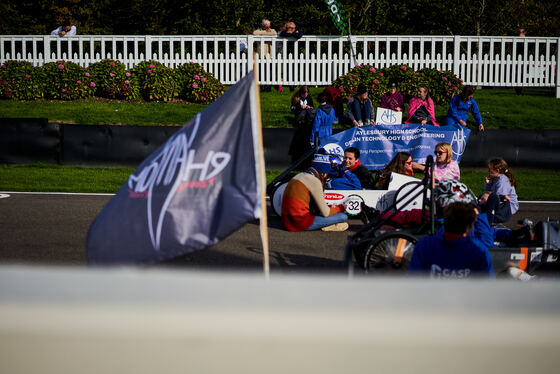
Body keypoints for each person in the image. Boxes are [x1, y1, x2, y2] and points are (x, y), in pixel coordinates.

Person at [408, 202, 494, 278]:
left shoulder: (424, 245)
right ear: (468, 228)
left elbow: (413, 281)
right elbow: (487, 288)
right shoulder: (479, 250)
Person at [281, 151, 349, 232]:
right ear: (324, 173)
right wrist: (340, 208)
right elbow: (325, 213)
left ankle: (326, 224)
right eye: (327, 174)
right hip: (299, 223)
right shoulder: (314, 181)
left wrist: (330, 208)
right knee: (343, 217)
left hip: (286, 222)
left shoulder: (299, 175)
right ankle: (327, 225)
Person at [478, 157, 519, 225]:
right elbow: (487, 192)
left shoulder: (502, 181)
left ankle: (489, 220)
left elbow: (498, 198)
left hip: (508, 206)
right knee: (481, 198)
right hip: (500, 202)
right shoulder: (495, 178)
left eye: (490, 169)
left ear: (497, 170)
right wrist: (489, 184)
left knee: (484, 202)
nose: (488, 171)